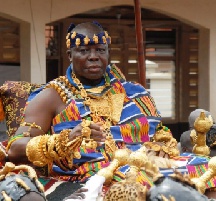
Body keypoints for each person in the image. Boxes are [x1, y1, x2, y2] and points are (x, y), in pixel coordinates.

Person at [7, 21, 163, 182]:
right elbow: (15, 148)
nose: (94, 57)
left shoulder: (132, 91)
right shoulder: (53, 95)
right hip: (90, 176)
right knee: (145, 182)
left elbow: (159, 133)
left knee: (187, 171)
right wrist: (66, 140)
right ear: (69, 55)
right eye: (84, 51)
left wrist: (162, 146)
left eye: (101, 50)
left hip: (144, 163)